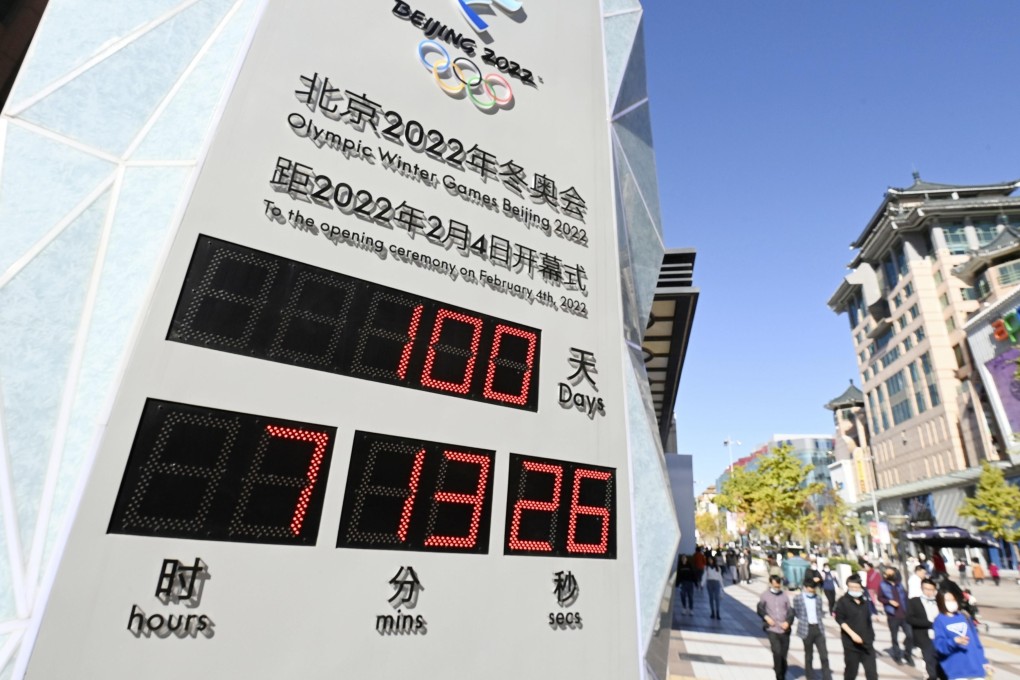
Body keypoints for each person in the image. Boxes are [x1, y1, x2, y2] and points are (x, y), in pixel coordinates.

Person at [933, 589, 990, 680]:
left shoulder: (964, 616)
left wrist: (984, 661)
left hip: (976, 668)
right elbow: (939, 646)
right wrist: (954, 641)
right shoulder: (939, 620)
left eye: (953, 600)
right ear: (941, 602)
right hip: (957, 671)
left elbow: (976, 641)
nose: (952, 602)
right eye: (947, 600)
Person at [835, 574, 878, 680]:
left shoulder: (865, 600)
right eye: (851, 587)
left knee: (872, 674)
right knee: (851, 673)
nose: (854, 590)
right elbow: (840, 619)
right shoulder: (843, 601)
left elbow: (868, 620)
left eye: (856, 587)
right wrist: (852, 634)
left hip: (867, 644)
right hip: (851, 645)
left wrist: (871, 636)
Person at [793, 579, 833, 680]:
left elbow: (819, 612)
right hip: (806, 629)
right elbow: (797, 612)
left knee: (824, 655)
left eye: (814, 589)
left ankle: (827, 677)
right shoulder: (798, 599)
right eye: (810, 589)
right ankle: (809, 676)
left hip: (818, 629)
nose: (812, 591)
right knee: (809, 655)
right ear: (805, 588)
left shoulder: (818, 598)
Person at [757, 574, 794, 680]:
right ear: (770, 584)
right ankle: (779, 676)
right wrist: (766, 617)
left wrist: (788, 622)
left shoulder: (784, 596)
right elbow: (760, 609)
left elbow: (790, 611)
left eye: (778, 586)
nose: (777, 588)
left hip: (784, 630)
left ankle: (782, 672)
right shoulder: (765, 595)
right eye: (775, 586)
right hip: (772, 629)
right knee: (777, 652)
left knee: (783, 655)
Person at [877, 567, 915, 666]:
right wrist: (889, 602)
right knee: (895, 637)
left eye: (890, 573)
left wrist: (909, 609)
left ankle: (908, 654)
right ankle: (897, 655)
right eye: (886, 573)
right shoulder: (882, 585)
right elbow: (880, 598)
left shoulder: (899, 584)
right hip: (892, 615)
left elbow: (905, 596)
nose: (887, 574)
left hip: (904, 614)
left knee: (910, 635)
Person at [907, 578, 942, 680]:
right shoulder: (914, 601)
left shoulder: (939, 601)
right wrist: (928, 623)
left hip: (939, 637)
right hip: (924, 638)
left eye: (931, 589)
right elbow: (909, 618)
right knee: (930, 668)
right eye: (926, 589)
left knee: (941, 666)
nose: (928, 592)